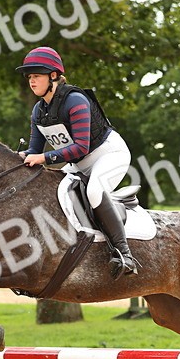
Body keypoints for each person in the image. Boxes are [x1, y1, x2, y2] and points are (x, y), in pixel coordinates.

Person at [15, 46, 140, 278]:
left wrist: (43, 158)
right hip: (79, 162)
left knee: (94, 191)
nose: (31, 81)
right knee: (52, 191)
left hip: (109, 154)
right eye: (29, 77)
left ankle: (125, 254)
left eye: (37, 76)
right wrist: (18, 157)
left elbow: (81, 146)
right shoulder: (39, 110)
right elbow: (34, 150)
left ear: (53, 76)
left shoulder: (75, 100)